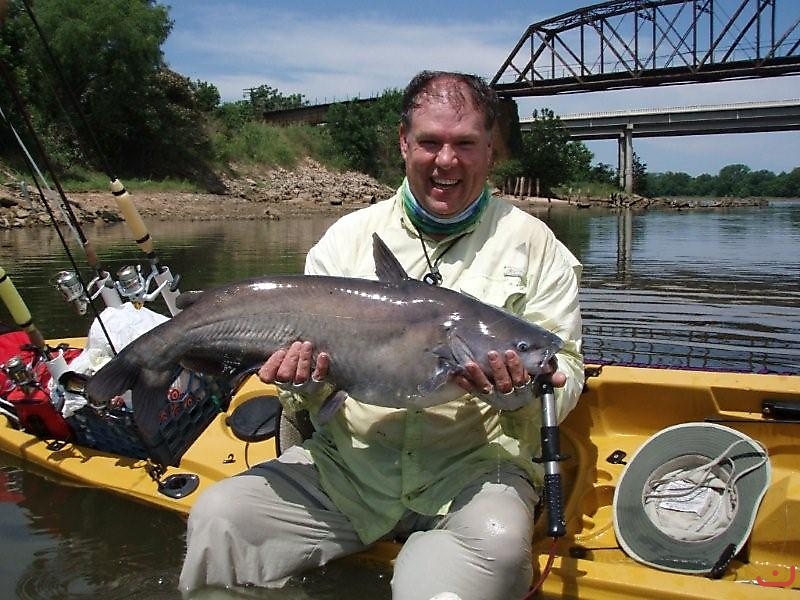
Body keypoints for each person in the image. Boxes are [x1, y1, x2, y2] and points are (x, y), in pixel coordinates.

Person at [179, 70, 584, 600]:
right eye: (430, 142)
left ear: (491, 149)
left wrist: (522, 393)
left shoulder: (538, 248)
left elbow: (565, 371)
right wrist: (296, 381)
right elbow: (306, 392)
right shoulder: (344, 240)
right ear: (403, 144)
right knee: (221, 517)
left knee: (500, 548)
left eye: (465, 143)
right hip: (350, 466)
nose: (446, 160)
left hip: (472, 472)